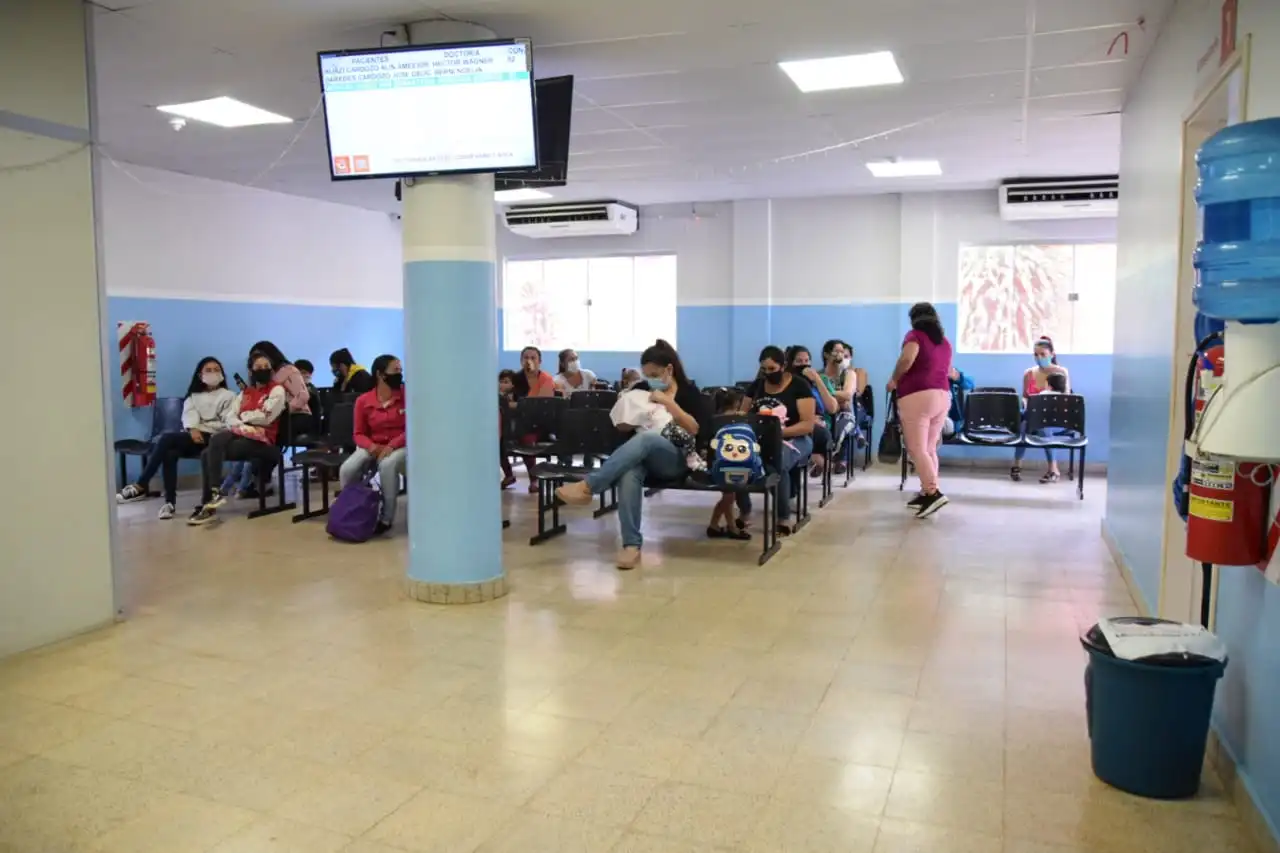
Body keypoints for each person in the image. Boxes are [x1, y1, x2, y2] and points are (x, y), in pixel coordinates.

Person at [554, 340, 706, 570]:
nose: (650, 379)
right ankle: (631, 545)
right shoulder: (642, 390)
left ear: (669, 370)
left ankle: (589, 486)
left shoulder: (689, 393)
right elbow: (623, 426)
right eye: (646, 375)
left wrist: (667, 402)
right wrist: (627, 416)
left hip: (676, 459)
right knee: (629, 472)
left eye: (655, 374)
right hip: (643, 456)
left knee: (646, 439)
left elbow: (695, 429)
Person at [117, 357, 234, 519]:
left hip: (215, 439)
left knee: (166, 439)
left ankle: (141, 484)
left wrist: (203, 427)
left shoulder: (229, 396)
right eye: (208, 370)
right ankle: (169, 503)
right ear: (200, 375)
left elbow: (227, 421)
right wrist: (193, 428)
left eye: (216, 370)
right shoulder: (193, 396)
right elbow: (189, 414)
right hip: (195, 435)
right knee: (169, 451)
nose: (213, 373)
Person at [188, 352, 287, 525]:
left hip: (263, 440)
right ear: (250, 371)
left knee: (212, 449)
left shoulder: (277, 390)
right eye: (258, 367)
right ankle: (210, 500)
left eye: (266, 367)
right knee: (213, 444)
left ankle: (211, 501)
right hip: (241, 433)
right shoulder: (244, 393)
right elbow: (230, 417)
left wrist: (244, 417)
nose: (263, 370)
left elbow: (266, 417)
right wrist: (242, 422)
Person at [740, 345, 818, 535]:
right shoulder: (757, 386)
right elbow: (743, 413)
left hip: (796, 439)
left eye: (772, 369)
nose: (768, 374)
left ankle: (783, 517)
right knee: (737, 458)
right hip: (760, 439)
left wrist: (777, 434)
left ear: (783, 366)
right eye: (764, 369)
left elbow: (808, 424)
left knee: (778, 460)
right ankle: (745, 511)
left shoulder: (800, 385)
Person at [888, 302, 953, 518]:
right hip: (942, 396)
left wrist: (894, 379)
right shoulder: (944, 342)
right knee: (929, 447)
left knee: (916, 449)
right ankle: (927, 491)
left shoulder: (915, 336)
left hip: (917, 396)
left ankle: (933, 492)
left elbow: (907, 359)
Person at [338, 354, 407, 536]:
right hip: (373, 445)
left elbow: (412, 428)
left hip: (400, 446)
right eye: (395, 371)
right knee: (348, 469)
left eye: (401, 371)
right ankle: (352, 510)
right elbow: (358, 434)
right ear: (380, 374)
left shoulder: (406, 396)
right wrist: (372, 447)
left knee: (387, 465)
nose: (399, 375)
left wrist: (392, 446)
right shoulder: (363, 401)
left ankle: (386, 518)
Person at [1012, 336, 1071, 483]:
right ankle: (1017, 465)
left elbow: (1066, 398)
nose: (1039, 358)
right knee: (1023, 426)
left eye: (1043, 354)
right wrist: (1025, 403)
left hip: (1055, 418)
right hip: (1033, 415)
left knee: (1045, 429)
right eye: (1036, 355)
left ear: (1052, 354)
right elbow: (1025, 396)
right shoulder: (1028, 373)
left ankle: (1053, 469)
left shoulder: (1061, 372)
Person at [706, 388, 751, 541]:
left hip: (714, 463)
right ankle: (731, 527)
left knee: (728, 496)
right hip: (729, 463)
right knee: (729, 496)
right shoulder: (737, 421)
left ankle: (715, 526)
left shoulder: (713, 419)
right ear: (738, 404)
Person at [788, 345, 841, 476]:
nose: (803, 365)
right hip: (795, 421)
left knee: (814, 432)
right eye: (799, 361)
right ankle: (823, 463)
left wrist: (817, 380)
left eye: (806, 361)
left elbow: (833, 408)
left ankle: (822, 463)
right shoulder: (788, 381)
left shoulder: (821, 379)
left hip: (821, 422)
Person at [511, 346, 558, 492]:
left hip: (542, 422)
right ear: (520, 361)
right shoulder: (515, 379)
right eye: (526, 358)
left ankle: (534, 479)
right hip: (519, 421)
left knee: (526, 434)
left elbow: (541, 404)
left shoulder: (546, 379)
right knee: (519, 432)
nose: (529, 361)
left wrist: (519, 405)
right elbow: (508, 402)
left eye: (533, 358)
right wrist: (520, 406)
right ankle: (514, 475)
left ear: (540, 361)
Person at [498, 369, 518, 488]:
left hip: (505, 431)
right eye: (501, 381)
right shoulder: (498, 396)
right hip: (499, 430)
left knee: (502, 454)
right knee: (501, 455)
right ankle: (508, 475)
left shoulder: (507, 398)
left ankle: (509, 475)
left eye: (506, 382)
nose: (502, 384)